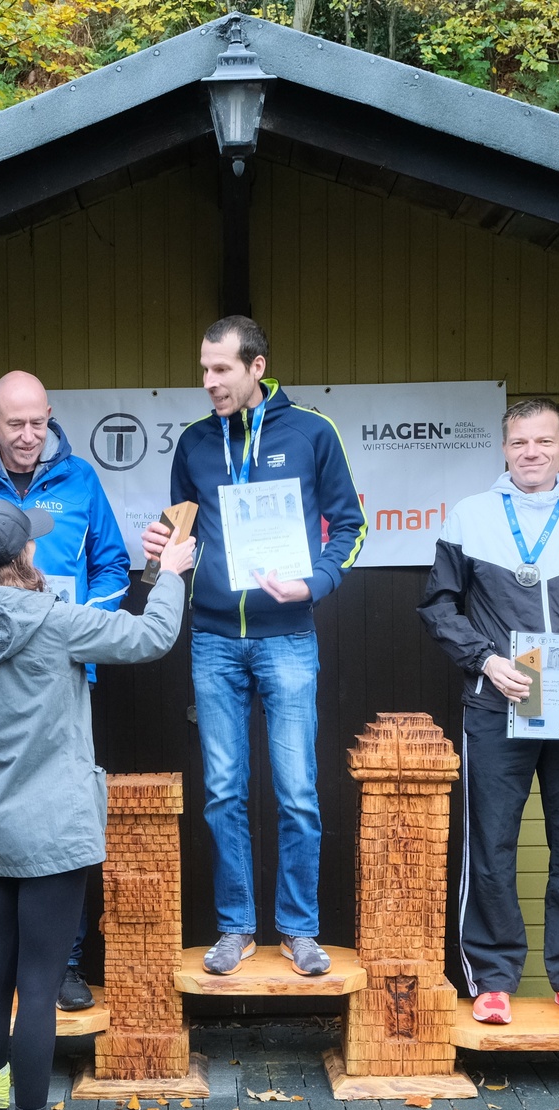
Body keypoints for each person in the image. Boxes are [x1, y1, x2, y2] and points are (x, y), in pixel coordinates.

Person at [0, 500, 193, 1110]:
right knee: (40, 989)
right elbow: (150, 638)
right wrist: (171, 574)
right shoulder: (54, 621)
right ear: (20, 559)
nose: (39, 555)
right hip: (53, 834)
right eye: (33, 549)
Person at [141, 316, 366, 978]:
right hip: (212, 636)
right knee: (222, 791)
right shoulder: (193, 443)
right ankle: (235, 927)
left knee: (296, 790)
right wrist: (160, 546)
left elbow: (348, 524)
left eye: (221, 370)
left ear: (256, 367)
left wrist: (315, 582)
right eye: (203, 370)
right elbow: (179, 530)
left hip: (287, 637)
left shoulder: (311, 432)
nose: (208, 382)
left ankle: (298, 930)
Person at [416, 399, 559, 1027]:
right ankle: (491, 977)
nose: (530, 452)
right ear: (504, 448)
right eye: (518, 442)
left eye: (542, 441)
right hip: (499, 702)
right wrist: (485, 660)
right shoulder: (471, 517)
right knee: (491, 843)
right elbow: (438, 606)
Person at [0, 370, 130, 1016]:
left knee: (59, 819)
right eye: (15, 424)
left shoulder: (81, 481)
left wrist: (81, 633)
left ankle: (62, 965)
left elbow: (114, 564)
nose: (28, 435)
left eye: (38, 422)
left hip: (59, 675)